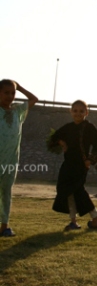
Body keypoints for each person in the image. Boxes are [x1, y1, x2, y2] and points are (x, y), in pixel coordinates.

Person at [49, 100, 97, 231]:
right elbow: (53, 138)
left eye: (81, 111)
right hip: (68, 164)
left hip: (81, 165)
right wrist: (61, 142)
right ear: (71, 112)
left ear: (86, 113)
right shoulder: (68, 127)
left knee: (77, 190)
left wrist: (90, 160)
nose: (78, 114)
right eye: (75, 111)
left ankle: (95, 215)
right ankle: (74, 222)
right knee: (67, 191)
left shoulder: (89, 127)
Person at [0, 79, 38, 237]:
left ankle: (4, 226)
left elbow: (33, 99)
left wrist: (19, 86)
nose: (10, 96)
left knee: (6, 192)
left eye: (13, 93)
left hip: (10, 161)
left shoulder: (18, 111)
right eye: (6, 92)